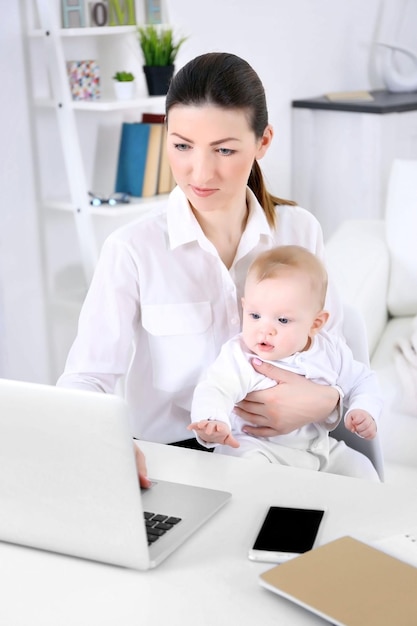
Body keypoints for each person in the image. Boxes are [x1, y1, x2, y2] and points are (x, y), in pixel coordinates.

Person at [57, 52, 358, 464]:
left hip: (296, 451)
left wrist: (327, 401)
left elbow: (333, 347)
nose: (199, 174)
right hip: (178, 459)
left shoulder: (300, 230)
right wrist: (112, 447)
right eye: (182, 146)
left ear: (262, 141)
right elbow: (86, 379)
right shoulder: (133, 249)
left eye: (224, 151)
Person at [188, 245, 382, 480]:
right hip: (258, 447)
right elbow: (214, 388)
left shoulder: (330, 350)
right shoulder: (240, 355)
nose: (265, 330)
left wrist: (364, 409)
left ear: (315, 323)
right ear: (244, 307)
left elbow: (363, 380)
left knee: (362, 469)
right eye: (255, 316)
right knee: (240, 465)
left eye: (282, 320)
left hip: (319, 449)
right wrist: (212, 420)